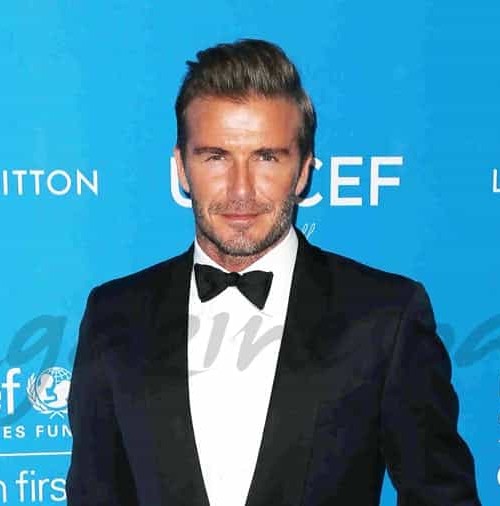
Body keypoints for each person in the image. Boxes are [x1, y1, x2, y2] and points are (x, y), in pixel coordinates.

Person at [66, 39, 481, 505]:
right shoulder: (114, 315)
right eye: (216, 156)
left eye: (266, 157)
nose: (241, 190)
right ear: (181, 168)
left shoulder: (385, 317)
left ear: (303, 171)